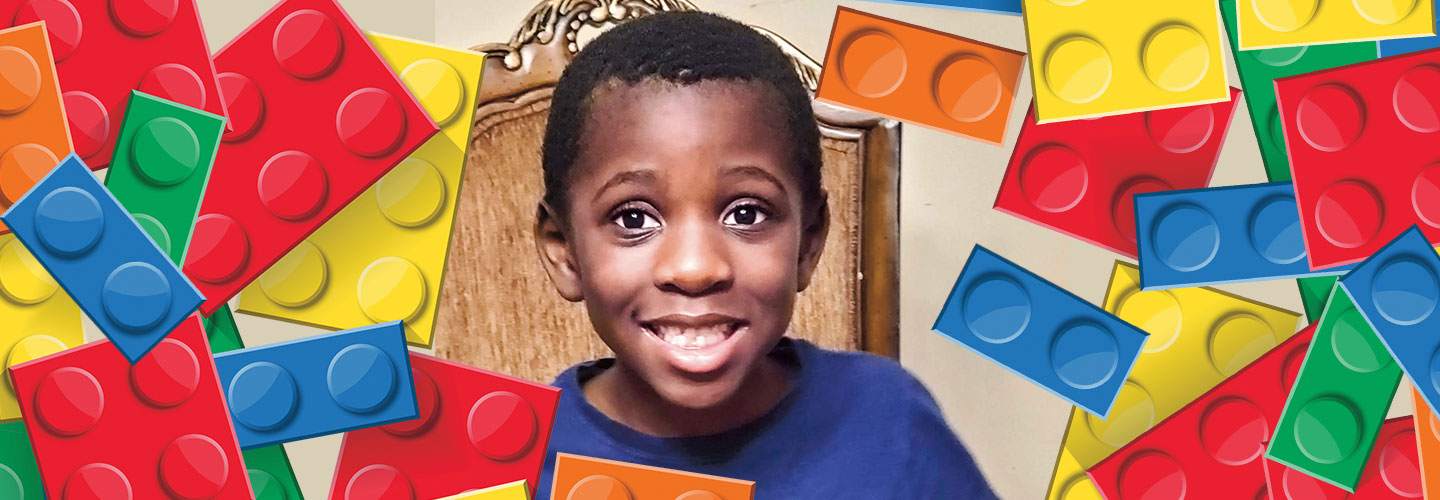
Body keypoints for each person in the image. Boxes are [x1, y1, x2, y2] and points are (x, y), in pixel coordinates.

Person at [531, 11, 997, 499]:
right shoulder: (515, 463)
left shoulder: (888, 420)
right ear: (564, 251)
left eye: (747, 214)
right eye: (633, 220)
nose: (695, 269)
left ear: (809, 239)